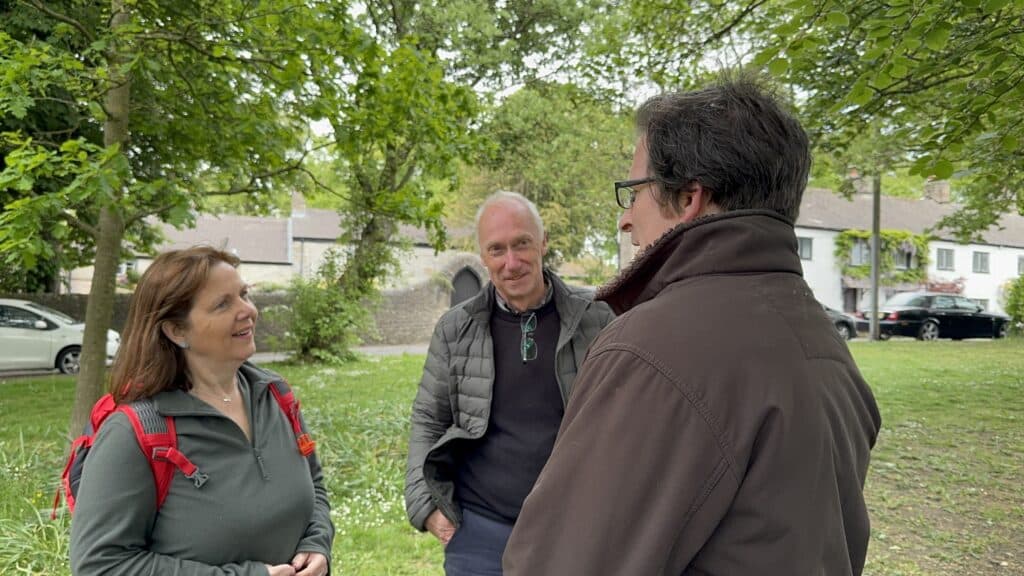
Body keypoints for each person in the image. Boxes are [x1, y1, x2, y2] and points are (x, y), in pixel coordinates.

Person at [503, 77, 882, 575]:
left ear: (688, 200)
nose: (626, 219)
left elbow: (560, 564)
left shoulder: (649, 353)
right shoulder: (823, 340)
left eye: (634, 192)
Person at [70, 246, 333, 576]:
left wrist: (317, 543)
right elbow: (99, 565)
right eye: (223, 304)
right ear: (176, 331)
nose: (248, 310)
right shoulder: (134, 434)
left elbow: (314, 485)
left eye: (244, 294)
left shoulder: (274, 395)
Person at [404, 191, 615, 575]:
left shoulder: (597, 318)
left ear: (543, 241)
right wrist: (426, 506)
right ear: (483, 257)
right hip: (481, 533)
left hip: (574, 530)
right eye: (497, 250)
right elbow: (428, 420)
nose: (511, 263)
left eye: (522, 244)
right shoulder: (456, 329)